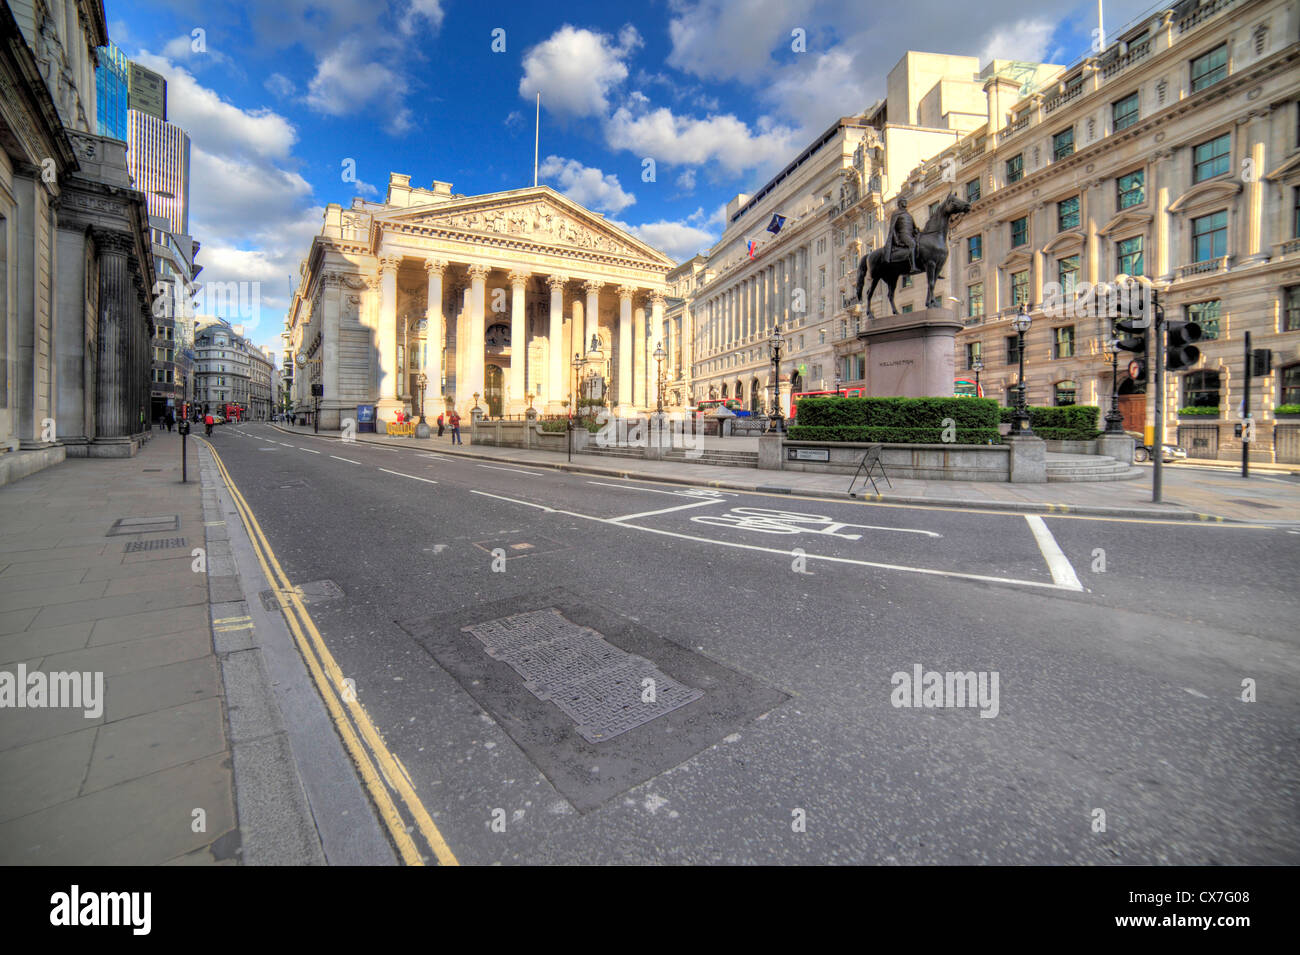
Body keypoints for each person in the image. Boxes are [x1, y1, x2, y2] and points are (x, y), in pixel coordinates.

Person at [886, 196, 918, 273]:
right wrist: (896, 239)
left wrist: (916, 230)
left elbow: (913, 227)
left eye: (905, 201)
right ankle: (913, 267)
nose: (905, 202)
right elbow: (892, 228)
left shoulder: (908, 214)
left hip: (910, 235)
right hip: (903, 235)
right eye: (904, 201)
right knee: (912, 244)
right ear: (900, 203)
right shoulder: (896, 213)